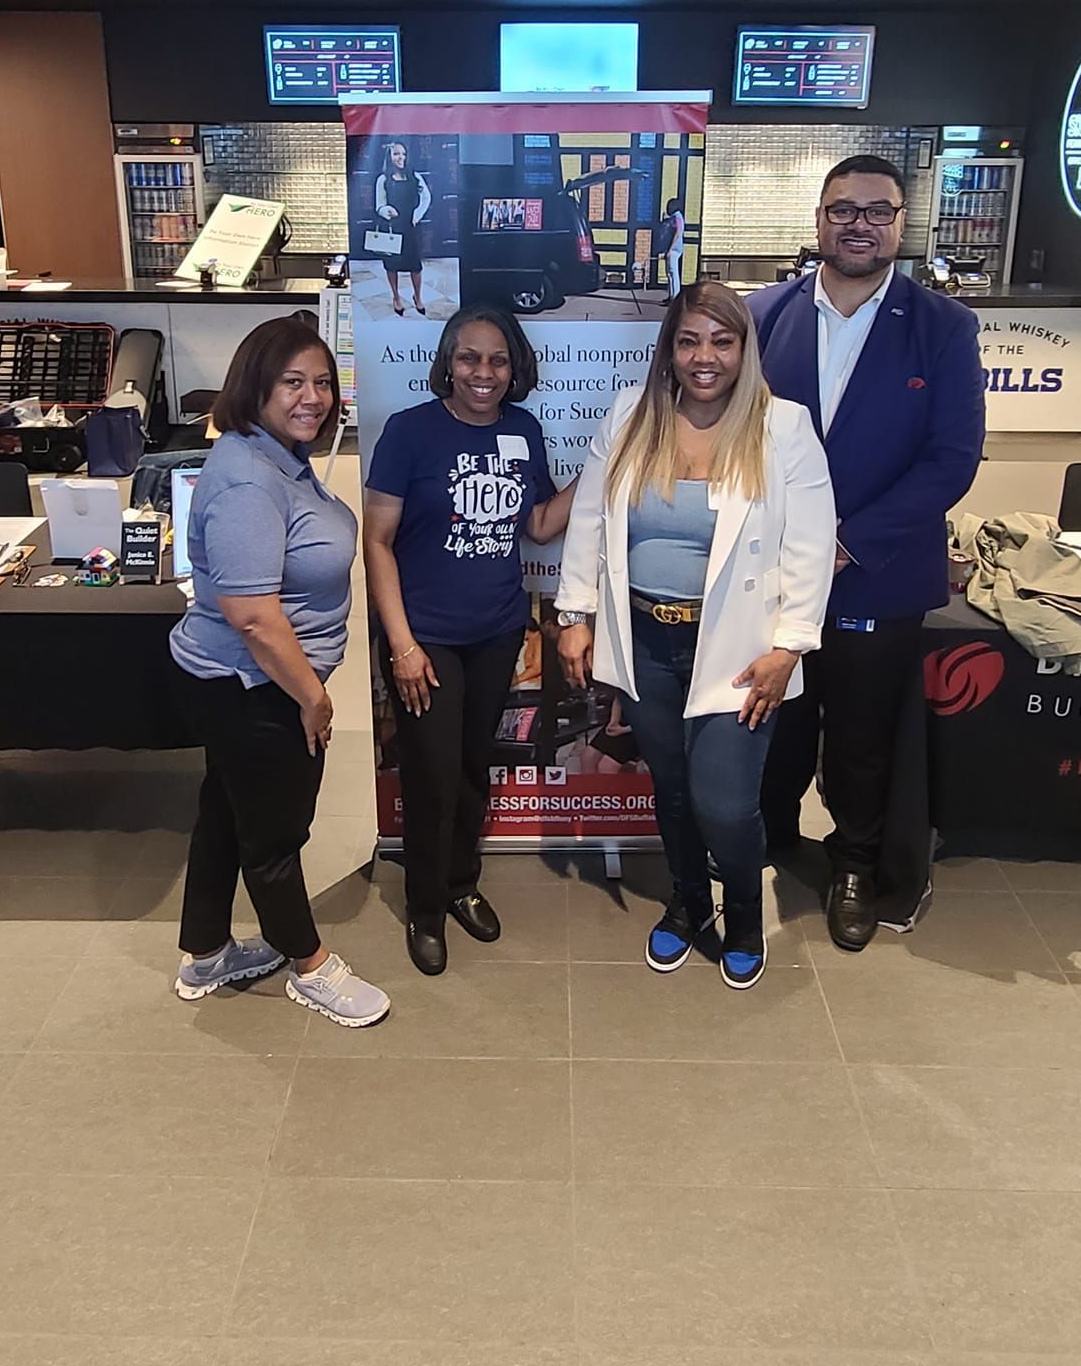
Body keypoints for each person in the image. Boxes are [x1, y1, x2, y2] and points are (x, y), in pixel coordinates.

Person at [556, 283, 836, 989]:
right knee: (672, 791)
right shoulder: (630, 415)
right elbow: (590, 519)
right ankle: (688, 900)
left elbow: (810, 544)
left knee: (725, 801)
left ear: (744, 348)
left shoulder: (784, 428)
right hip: (647, 641)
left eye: (720, 341)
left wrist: (790, 646)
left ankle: (742, 911)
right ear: (669, 349)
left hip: (741, 654)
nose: (703, 357)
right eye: (688, 341)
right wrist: (575, 616)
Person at [750, 154, 986, 951]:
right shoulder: (761, 315)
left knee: (860, 731)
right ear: (818, 220)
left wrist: (848, 542)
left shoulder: (944, 328)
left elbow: (951, 459)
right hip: (771, 570)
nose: (859, 223)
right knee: (773, 717)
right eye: (842, 209)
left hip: (875, 573)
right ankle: (769, 837)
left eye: (877, 210)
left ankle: (853, 864)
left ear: (899, 225)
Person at [168, 314, 389, 1027]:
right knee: (274, 835)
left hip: (247, 685)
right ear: (255, 386)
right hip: (255, 688)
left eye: (323, 382)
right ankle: (311, 967)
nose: (312, 397)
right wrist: (314, 699)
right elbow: (254, 617)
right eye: (293, 382)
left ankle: (204, 954)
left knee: (225, 816)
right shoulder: (247, 480)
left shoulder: (270, 458)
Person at [363, 304, 574, 975]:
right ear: (447, 364)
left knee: (471, 767)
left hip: (496, 630)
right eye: (469, 357)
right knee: (429, 774)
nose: (483, 372)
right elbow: (376, 540)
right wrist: (401, 645)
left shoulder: (523, 429)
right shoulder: (410, 432)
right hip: (424, 639)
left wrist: (602, 469)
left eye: (497, 359)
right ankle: (425, 908)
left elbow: (538, 524)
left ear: (515, 369)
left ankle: (460, 882)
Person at [374, 140, 431, 316]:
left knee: (416, 266)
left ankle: (418, 297)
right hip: (391, 228)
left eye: (403, 154)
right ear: (389, 157)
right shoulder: (383, 179)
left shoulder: (414, 176)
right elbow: (379, 205)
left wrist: (417, 215)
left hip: (409, 226)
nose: (401, 157)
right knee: (392, 266)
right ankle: (396, 297)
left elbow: (426, 197)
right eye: (397, 154)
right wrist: (386, 211)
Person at [660, 195, 686, 300]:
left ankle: (675, 296)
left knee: (673, 272)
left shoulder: (677, 217)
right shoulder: (674, 217)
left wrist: (670, 249)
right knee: (669, 273)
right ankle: (671, 295)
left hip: (674, 249)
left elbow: (678, 232)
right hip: (671, 249)